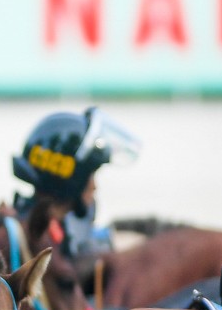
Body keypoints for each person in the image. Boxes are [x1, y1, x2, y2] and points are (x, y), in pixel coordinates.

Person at [11, 107, 139, 261]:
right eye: (90, 175)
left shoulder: (56, 229)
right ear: (71, 180)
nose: (94, 186)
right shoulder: (32, 239)